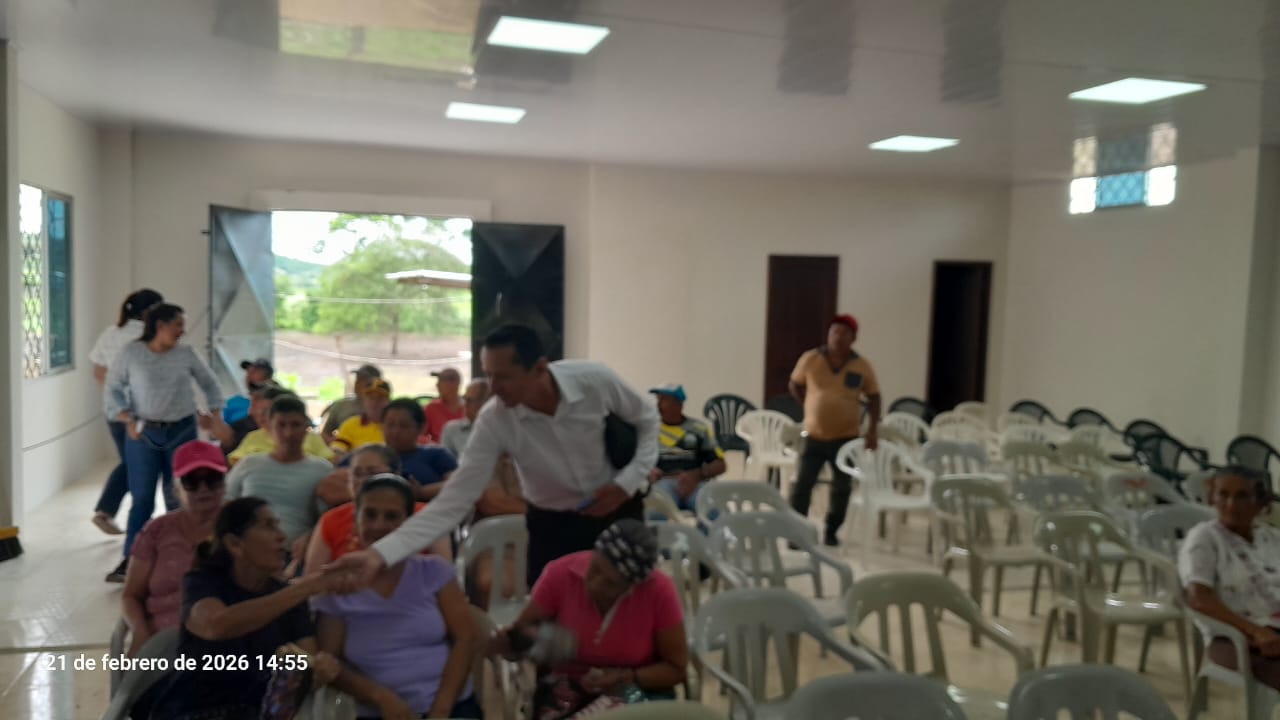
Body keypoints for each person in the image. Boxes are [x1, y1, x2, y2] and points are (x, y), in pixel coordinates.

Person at [326, 324, 659, 590]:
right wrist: (380, 554)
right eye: (488, 375)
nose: (493, 388)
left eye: (504, 377)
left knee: (633, 612)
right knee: (555, 626)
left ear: (539, 368)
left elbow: (648, 420)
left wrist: (627, 483)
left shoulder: (594, 380)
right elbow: (455, 499)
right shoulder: (495, 419)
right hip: (552, 524)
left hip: (618, 507)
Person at [146, 497, 343, 720]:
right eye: (268, 526)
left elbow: (304, 665)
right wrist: (304, 588)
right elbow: (216, 625)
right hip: (192, 711)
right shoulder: (203, 582)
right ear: (235, 544)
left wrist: (318, 672)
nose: (282, 536)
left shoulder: (291, 599)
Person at [313, 475, 480, 719]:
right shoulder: (339, 587)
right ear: (356, 521)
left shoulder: (434, 571)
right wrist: (380, 697)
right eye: (370, 515)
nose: (379, 525)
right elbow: (330, 664)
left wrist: (441, 709)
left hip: (452, 708)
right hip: (379, 713)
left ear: (408, 524)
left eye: (391, 517)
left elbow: (465, 638)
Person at [491, 519, 686, 717]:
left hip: (637, 689)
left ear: (631, 586)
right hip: (566, 688)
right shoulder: (560, 574)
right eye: (595, 569)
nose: (595, 584)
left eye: (610, 583)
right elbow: (519, 639)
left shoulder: (659, 592)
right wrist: (509, 643)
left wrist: (625, 677)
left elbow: (676, 668)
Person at [104, 302, 223, 582]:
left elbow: (210, 384)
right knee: (142, 498)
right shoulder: (132, 353)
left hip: (182, 431)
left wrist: (214, 413)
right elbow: (112, 389)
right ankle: (131, 560)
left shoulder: (186, 354)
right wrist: (126, 418)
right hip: (143, 433)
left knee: (179, 496)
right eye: (178, 325)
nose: (183, 331)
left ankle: (182, 557)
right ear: (160, 326)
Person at [1180, 465, 1280, 690]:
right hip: (1236, 637)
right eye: (1223, 495)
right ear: (1212, 498)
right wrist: (1255, 631)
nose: (1231, 504)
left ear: (1260, 503)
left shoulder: (1272, 538)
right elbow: (1198, 598)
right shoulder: (1204, 538)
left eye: (1242, 496)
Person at [121, 440, 226, 653]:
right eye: (191, 481)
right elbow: (131, 595)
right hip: (162, 643)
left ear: (224, 483)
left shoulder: (241, 526)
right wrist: (140, 632)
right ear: (176, 488)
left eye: (212, 479)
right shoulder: (156, 531)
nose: (203, 489)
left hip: (225, 641)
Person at [788, 313, 881, 546]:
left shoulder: (861, 365)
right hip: (814, 436)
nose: (838, 337)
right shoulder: (811, 358)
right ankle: (797, 533)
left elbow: (874, 397)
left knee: (842, 488)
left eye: (844, 333)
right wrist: (808, 404)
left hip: (846, 438)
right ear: (828, 335)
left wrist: (872, 431)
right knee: (803, 485)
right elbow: (795, 384)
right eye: (834, 332)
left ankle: (831, 530)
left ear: (853, 338)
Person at [304, 446, 451, 576]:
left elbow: (443, 575)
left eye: (372, 472)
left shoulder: (427, 517)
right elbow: (312, 581)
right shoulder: (332, 519)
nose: (362, 480)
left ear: (396, 475)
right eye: (357, 473)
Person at [88, 287, 163, 536]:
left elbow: (98, 372)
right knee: (142, 466)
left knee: (131, 463)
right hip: (144, 414)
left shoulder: (110, 333)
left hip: (114, 413)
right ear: (152, 311)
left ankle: (106, 512)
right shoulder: (150, 337)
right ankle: (138, 522)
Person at [225, 395, 332, 555]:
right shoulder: (248, 464)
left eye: (295, 425)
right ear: (269, 427)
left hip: (297, 555)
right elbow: (226, 506)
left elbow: (329, 519)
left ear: (306, 427)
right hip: (246, 554)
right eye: (281, 425)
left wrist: (311, 538)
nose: (288, 433)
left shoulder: (323, 470)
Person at [646, 384, 726, 515]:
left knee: (713, 512)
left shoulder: (699, 428)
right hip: (663, 482)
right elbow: (635, 460)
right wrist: (648, 471)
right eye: (658, 399)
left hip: (695, 483)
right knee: (655, 513)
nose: (658, 405)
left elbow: (720, 465)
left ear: (679, 404)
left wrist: (698, 475)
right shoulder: (650, 429)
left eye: (664, 400)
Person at [225, 386, 334, 466]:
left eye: (267, 412)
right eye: (259, 411)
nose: (260, 416)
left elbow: (330, 462)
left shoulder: (311, 438)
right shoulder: (253, 437)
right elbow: (235, 462)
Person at [381, 397, 457, 502]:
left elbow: (458, 485)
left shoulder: (437, 455)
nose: (395, 432)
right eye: (390, 424)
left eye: (404, 426)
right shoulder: (370, 456)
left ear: (421, 428)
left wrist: (422, 492)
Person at [331, 378, 392, 457]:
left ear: (388, 401)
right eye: (371, 398)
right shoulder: (351, 424)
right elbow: (337, 450)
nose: (374, 403)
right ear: (364, 401)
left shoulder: (394, 426)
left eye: (380, 398)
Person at [321, 364, 382, 444]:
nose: (358, 383)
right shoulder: (341, 406)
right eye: (358, 380)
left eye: (364, 381)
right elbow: (325, 433)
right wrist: (338, 443)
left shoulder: (385, 408)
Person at [222, 358, 275, 426]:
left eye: (255, 372)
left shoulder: (274, 402)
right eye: (249, 373)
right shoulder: (233, 402)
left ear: (268, 379)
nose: (249, 377)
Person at [420, 367, 466, 444]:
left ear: (455, 383)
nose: (437, 385)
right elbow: (419, 435)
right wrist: (433, 445)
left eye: (441, 380)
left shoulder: (469, 408)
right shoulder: (432, 408)